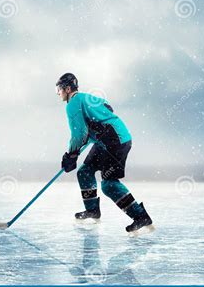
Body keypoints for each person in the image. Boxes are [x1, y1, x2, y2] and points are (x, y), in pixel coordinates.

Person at [56, 73, 153, 233]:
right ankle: (93, 210)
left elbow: (79, 133)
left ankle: (140, 216)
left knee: (108, 184)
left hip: (115, 141)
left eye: (59, 89)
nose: (58, 93)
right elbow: (102, 112)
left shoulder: (73, 103)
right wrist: (74, 154)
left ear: (67, 88)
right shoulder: (85, 98)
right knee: (84, 172)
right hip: (106, 141)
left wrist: (71, 153)